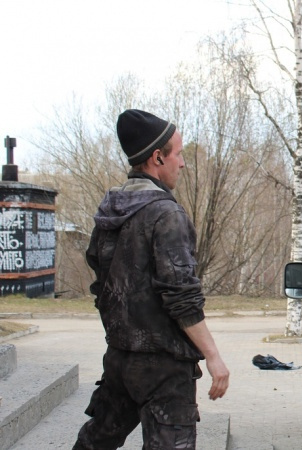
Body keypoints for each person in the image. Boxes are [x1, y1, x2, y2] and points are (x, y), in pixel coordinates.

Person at [74, 109, 230, 450]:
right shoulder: (166, 214)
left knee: (94, 443)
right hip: (165, 368)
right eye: (179, 154)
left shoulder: (109, 209)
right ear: (157, 157)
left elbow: (103, 288)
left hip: (120, 359)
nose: (183, 164)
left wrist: (123, 338)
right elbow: (181, 296)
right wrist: (213, 356)